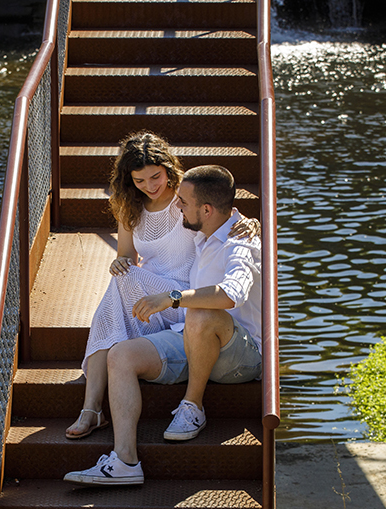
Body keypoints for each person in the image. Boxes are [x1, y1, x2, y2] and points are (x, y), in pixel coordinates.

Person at [64, 164, 262, 486]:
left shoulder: (241, 242)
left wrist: (171, 298)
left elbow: (231, 294)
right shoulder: (203, 229)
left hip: (240, 354)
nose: (177, 207)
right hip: (191, 338)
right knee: (121, 356)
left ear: (206, 210)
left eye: (182, 202)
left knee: (198, 313)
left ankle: (192, 405)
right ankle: (125, 461)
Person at [65, 131, 195, 440]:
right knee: (122, 276)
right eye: (139, 181)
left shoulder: (187, 195)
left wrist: (249, 223)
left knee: (122, 285)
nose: (150, 187)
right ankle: (92, 408)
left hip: (181, 299)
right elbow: (126, 255)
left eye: (156, 177)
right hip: (146, 299)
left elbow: (223, 213)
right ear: (128, 180)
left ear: (168, 168)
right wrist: (118, 262)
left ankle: (92, 409)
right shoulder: (129, 206)